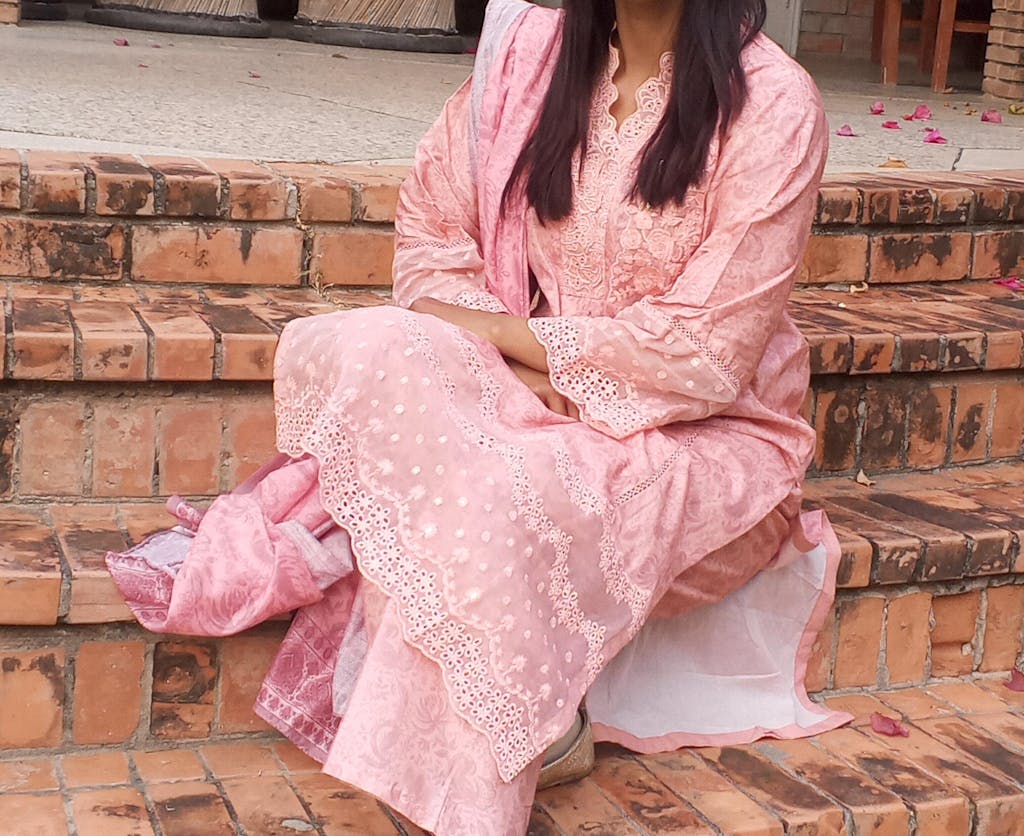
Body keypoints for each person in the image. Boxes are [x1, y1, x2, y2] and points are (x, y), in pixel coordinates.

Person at [105, 0, 852, 833]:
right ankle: (513, 705)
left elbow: (707, 352)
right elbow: (432, 230)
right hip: (530, 388)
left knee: (490, 496)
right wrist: (511, 361)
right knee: (368, 344)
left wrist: (519, 348)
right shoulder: (533, 61)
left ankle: (513, 741)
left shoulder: (774, 104)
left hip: (700, 437)